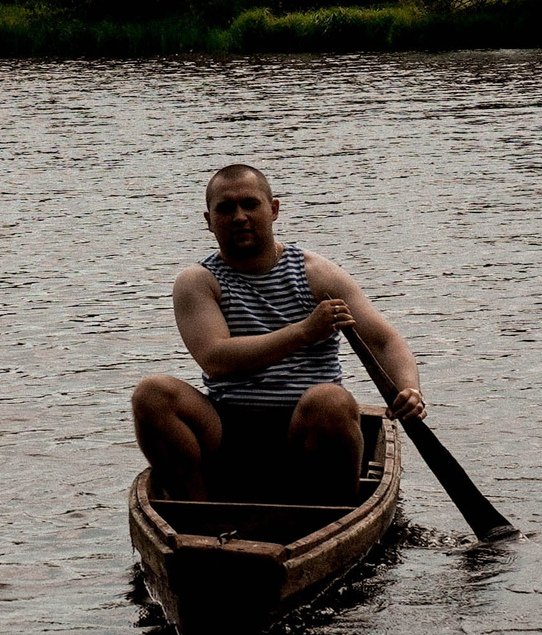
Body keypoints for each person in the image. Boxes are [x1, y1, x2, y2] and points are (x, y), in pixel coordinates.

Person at [131, 163, 425, 503]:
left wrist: (409, 389)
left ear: (273, 210)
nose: (239, 217)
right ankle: (200, 515)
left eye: (250, 205)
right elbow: (216, 359)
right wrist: (303, 331)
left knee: (331, 400)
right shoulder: (198, 281)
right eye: (226, 208)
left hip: (306, 430)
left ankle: (329, 517)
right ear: (209, 221)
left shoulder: (316, 273)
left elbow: (384, 340)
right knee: (152, 393)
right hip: (229, 428)